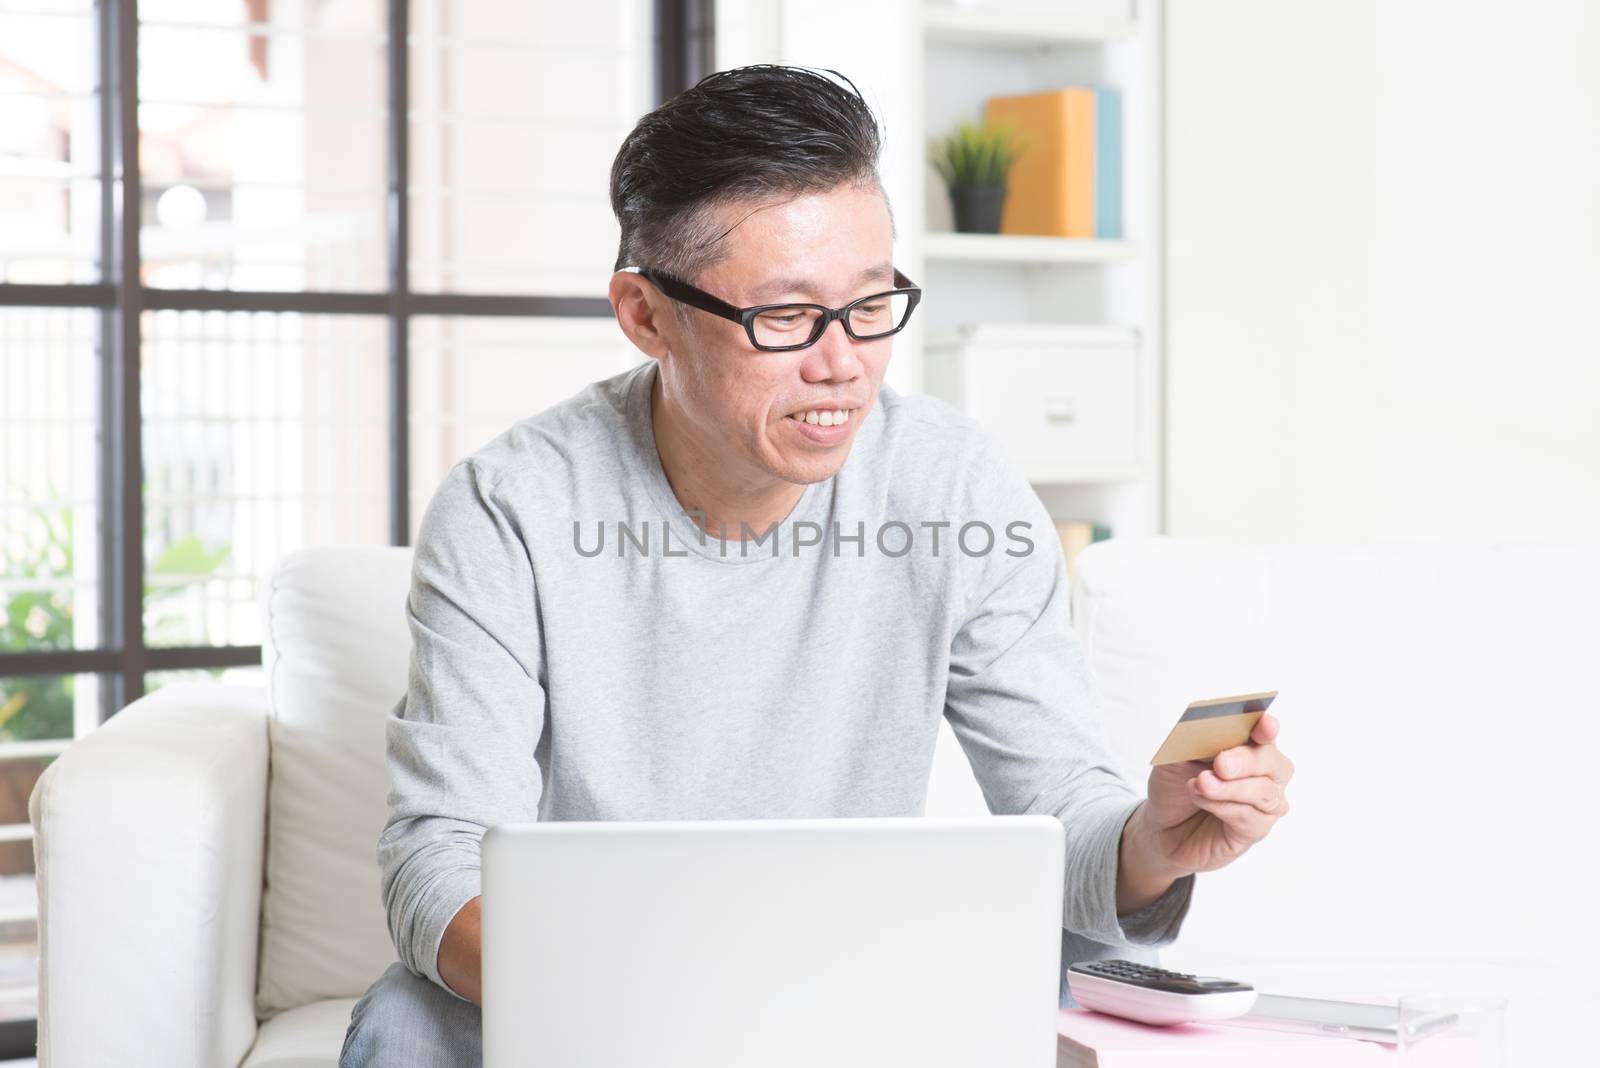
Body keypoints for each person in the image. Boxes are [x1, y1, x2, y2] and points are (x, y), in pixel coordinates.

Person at [340, 63, 1295, 1066]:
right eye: (785, 318)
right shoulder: (511, 508)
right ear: (644, 314)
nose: (843, 363)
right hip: (595, 990)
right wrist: (670, 1011)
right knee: (406, 1026)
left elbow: (1060, 816)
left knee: (1037, 1000)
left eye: (872, 304)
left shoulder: (951, 483)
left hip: (855, 986)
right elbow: (438, 862)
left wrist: (1153, 839)